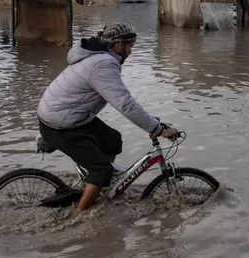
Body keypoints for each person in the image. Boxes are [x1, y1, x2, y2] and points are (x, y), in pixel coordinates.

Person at [37, 23, 179, 212]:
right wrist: (156, 129)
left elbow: (123, 101)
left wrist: (152, 122)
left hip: (66, 115)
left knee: (112, 140)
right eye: (130, 46)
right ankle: (81, 216)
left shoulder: (98, 56)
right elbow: (125, 104)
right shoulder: (103, 63)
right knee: (102, 170)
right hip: (61, 123)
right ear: (119, 45)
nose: (131, 50)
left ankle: (97, 186)